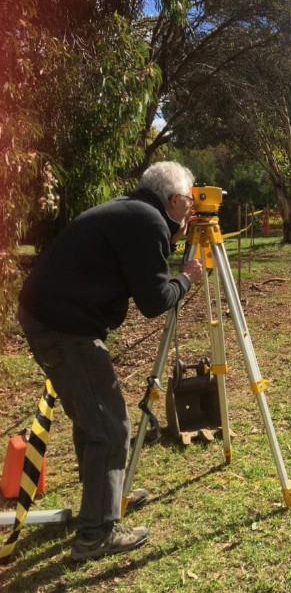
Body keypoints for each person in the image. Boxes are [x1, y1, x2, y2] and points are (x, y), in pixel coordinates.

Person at [17, 161, 203, 561]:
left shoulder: (132, 211)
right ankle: (96, 532)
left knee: (93, 418)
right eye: (191, 200)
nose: (194, 208)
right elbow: (154, 302)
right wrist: (186, 276)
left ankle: (103, 500)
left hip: (51, 316)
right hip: (64, 325)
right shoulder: (148, 222)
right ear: (173, 200)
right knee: (110, 426)